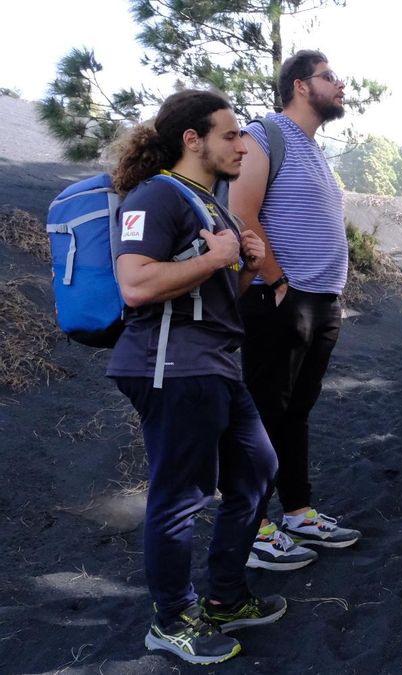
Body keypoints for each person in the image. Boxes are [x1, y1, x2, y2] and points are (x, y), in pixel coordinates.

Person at [108, 89, 284, 664]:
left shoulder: (212, 203)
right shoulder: (155, 196)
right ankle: (171, 618)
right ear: (193, 139)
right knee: (180, 496)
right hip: (169, 365)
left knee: (258, 468)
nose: (242, 144)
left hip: (212, 363)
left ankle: (225, 597)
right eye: (231, 135)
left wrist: (245, 268)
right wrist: (214, 259)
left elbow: (212, 298)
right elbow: (134, 284)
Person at [228, 49, 358, 571]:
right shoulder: (266, 135)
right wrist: (278, 281)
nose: (340, 83)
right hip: (280, 298)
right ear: (302, 86)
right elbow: (242, 213)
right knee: (263, 412)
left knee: (295, 410)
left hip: (319, 302)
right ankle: (253, 528)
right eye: (330, 76)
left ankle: (297, 512)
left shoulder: (311, 149)